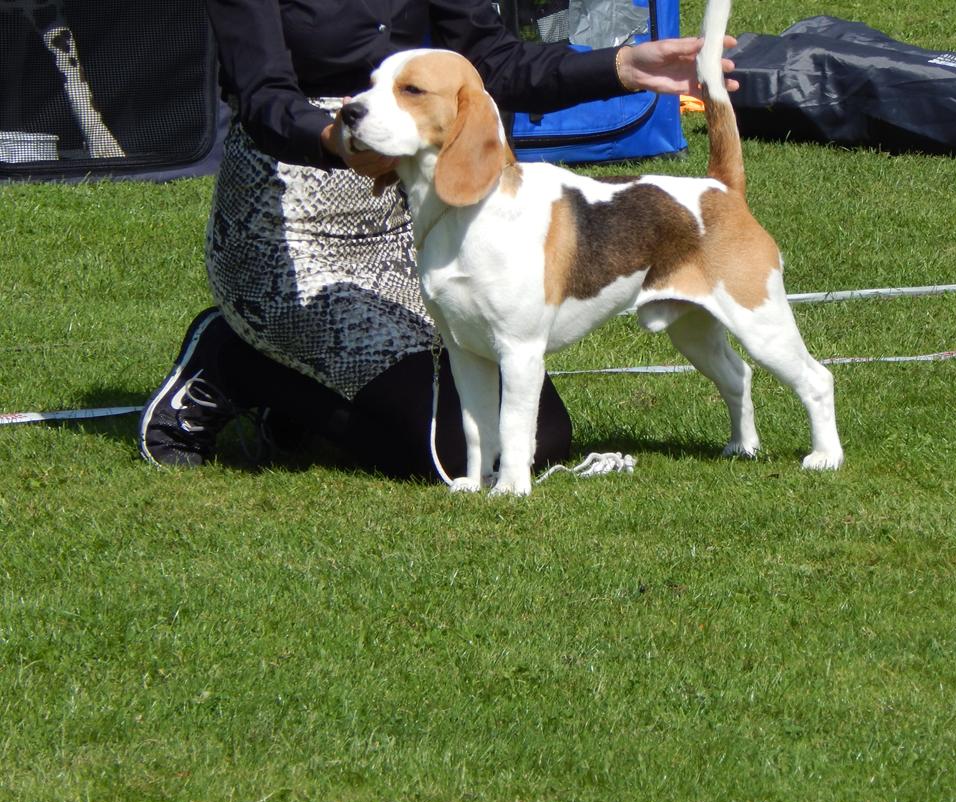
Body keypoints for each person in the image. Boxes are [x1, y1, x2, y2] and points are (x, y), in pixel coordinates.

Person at [138, 0, 734, 480]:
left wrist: (621, 67)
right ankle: (232, 363)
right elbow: (260, 96)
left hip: (423, 223)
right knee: (449, 450)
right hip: (293, 229)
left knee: (537, 438)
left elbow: (491, 65)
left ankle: (300, 402)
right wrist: (333, 138)